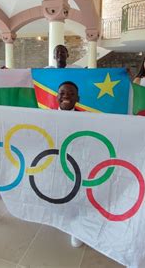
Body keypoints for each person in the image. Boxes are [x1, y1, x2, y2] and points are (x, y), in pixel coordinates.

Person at [56, 81, 83, 248]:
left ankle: (76, 228)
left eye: (71, 94)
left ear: (78, 98)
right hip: (54, 163)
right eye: (63, 93)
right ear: (56, 96)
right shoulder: (43, 116)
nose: (66, 96)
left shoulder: (87, 118)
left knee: (76, 195)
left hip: (76, 164)